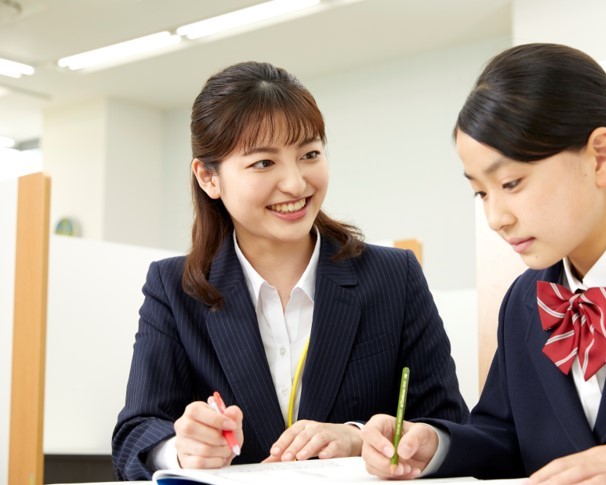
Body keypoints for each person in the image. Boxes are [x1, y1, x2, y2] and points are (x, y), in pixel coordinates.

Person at [361, 43, 606, 484]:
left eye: (512, 182)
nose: (496, 218)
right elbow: (505, 435)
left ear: (601, 156)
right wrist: (436, 447)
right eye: (480, 192)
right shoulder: (524, 301)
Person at [111, 61, 468, 480]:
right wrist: (181, 449)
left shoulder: (394, 276)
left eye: (310, 154)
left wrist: (358, 438)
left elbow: (451, 424)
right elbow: (134, 435)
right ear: (208, 177)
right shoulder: (174, 289)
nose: (296, 184)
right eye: (264, 163)